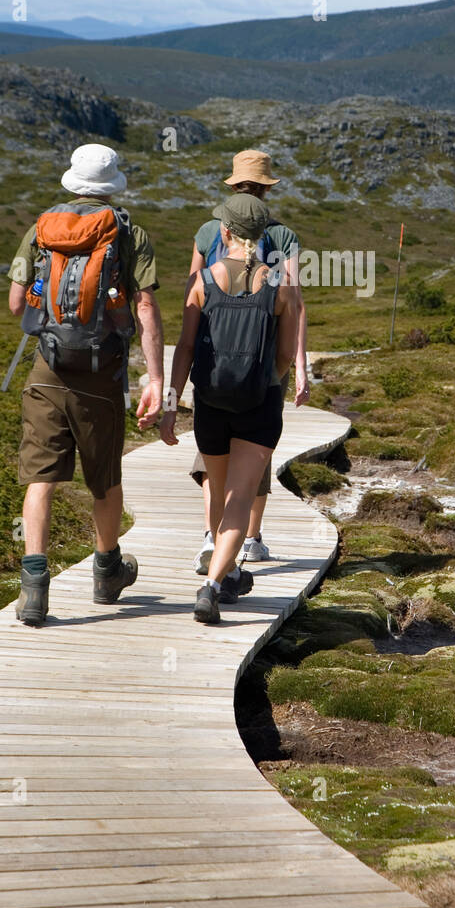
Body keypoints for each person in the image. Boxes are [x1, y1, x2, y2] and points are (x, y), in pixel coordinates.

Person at [7, 144, 164, 627]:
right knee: (104, 478)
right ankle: (107, 572)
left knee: (41, 480)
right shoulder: (128, 231)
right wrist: (155, 378)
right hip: (101, 374)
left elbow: (16, 304)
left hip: (47, 371)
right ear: (112, 184)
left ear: (72, 181)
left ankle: (34, 590)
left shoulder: (41, 228)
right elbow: (144, 309)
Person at [159, 194, 298, 625]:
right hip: (260, 405)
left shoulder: (202, 281)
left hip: (210, 404)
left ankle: (227, 570)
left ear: (224, 233)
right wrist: (264, 383)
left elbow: (184, 348)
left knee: (218, 495)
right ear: (264, 236)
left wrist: (170, 406)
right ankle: (215, 584)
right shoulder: (280, 287)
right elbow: (285, 355)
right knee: (241, 501)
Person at [186, 149, 308, 575]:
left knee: (212, 462)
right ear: (266, 188)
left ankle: (210, 535)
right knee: (252, 461)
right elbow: (294, 302)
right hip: (260, 373)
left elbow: (192, 296)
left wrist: (178, 385)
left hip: (214, 374)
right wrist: (294, 369)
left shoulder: (207, 232)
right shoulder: (283, 236)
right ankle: (249, 540)